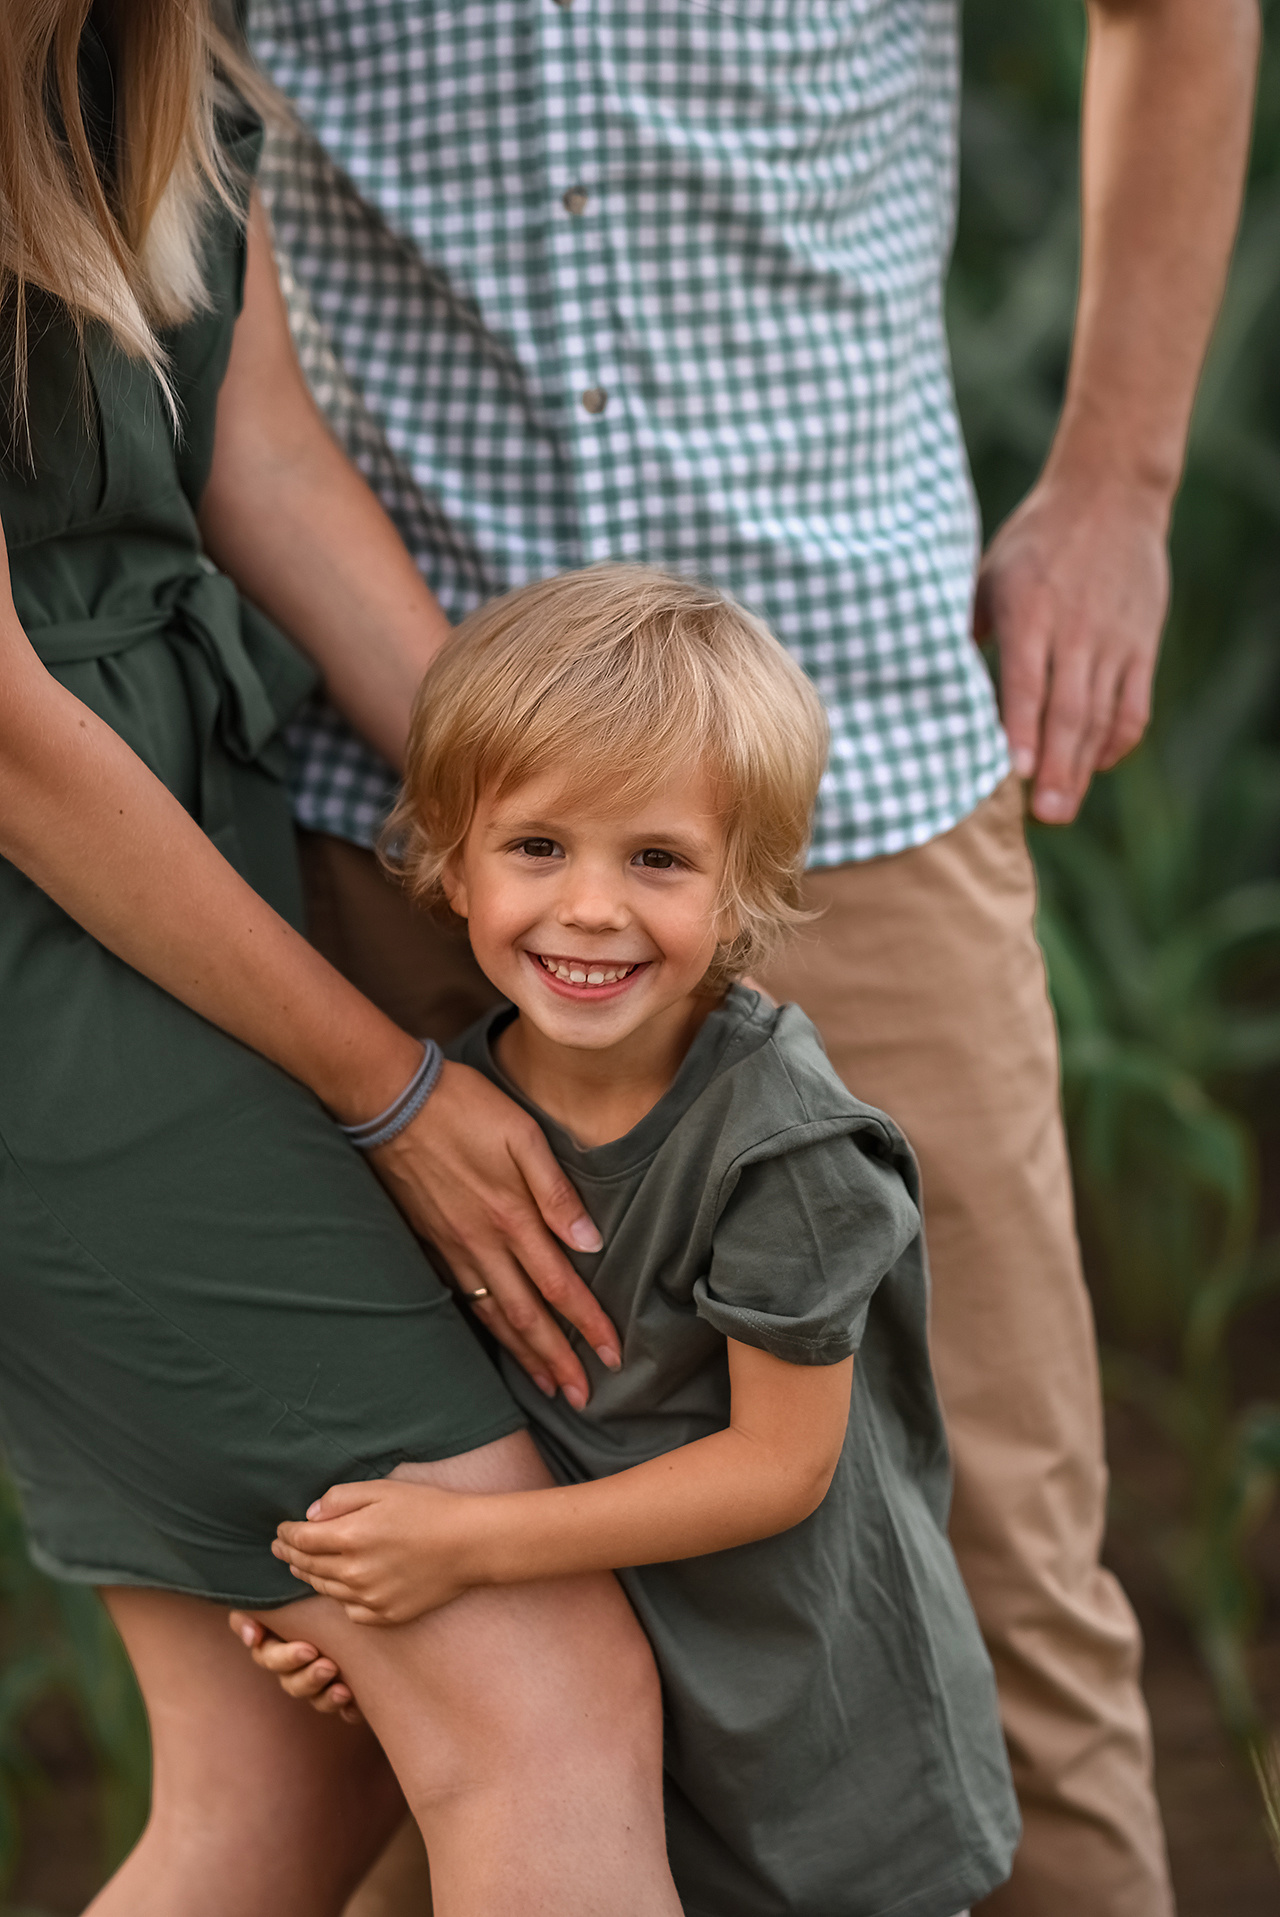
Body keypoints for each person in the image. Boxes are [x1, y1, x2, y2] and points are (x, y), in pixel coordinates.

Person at [237, 2, 1261, 1909]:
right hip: (401, 810)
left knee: (991, 1570)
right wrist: (490, 797)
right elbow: (200, 301)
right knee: (421, 1643)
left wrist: (1118, 485)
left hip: (844, 777)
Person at [0, 8, 684, 1914]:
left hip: (173, 860)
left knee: (282, 1780)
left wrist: (544, 842)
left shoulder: (145, 65)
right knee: (544, 1695)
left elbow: (270, 470)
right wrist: (386, 1082)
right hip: (42, 954)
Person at [268, 563, 1021, 1917]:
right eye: (539, 847)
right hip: (606, 1730)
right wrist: (355, 1613)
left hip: (811, 1734)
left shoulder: (780, 1146)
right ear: (449, 854)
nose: (593, 908)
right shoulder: (452, 1128)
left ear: (747, 885)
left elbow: (777, 1468)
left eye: (657, 858)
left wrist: (458, 1552)